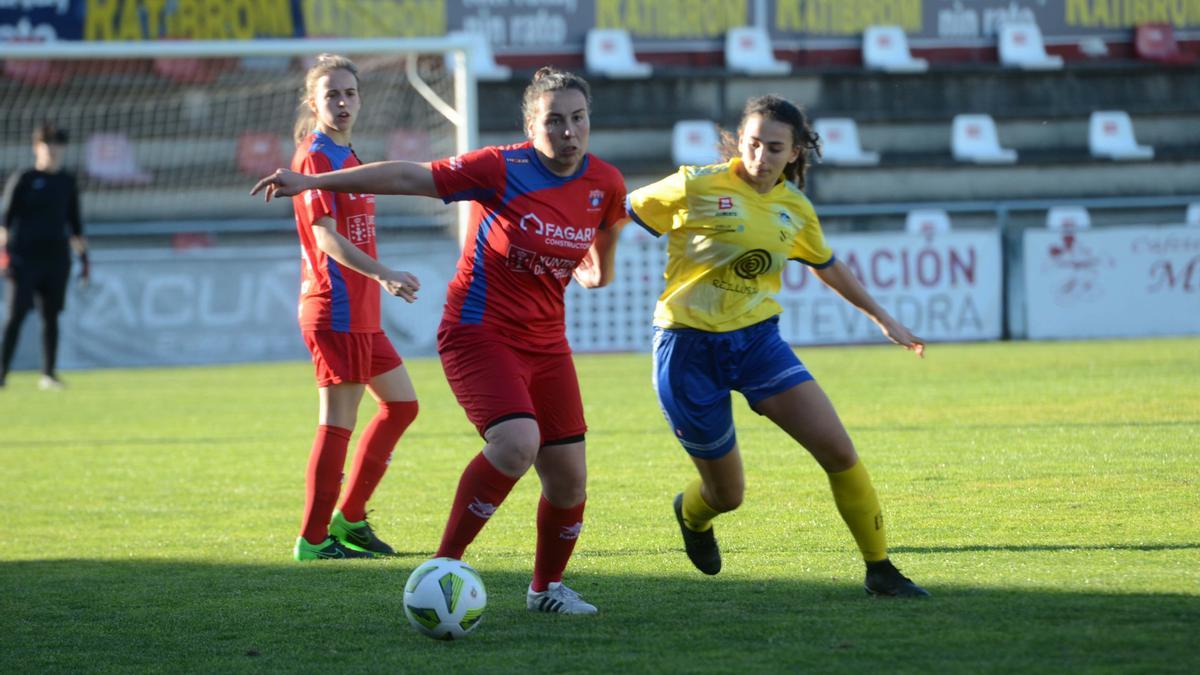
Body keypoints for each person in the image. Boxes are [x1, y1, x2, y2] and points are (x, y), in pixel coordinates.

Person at [252, 67, 628, 613]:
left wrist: (598, 270)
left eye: (577, 118)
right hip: (480, 332)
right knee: (516, 444)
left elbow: (602, 246)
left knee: (569, 482)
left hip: (548, 344)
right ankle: (443, 563)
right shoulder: (501, 167)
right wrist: (312, 183)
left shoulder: (605, 182)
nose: (568, 130)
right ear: (530, 125)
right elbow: (411, 177)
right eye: (553, 120)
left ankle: (546, 589)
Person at [625, 94, 930, 597]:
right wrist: (593, 261)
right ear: (737, 142)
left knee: (839, 452)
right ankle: (693, 515)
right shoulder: (696, 184)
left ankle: (880, 569)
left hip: (757, 342)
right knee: (728, 494)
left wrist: (883, 317)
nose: (760, 157)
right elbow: (623, 209)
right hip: (686, 348)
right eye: (752, 144)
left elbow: (826, 264)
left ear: (793, 153)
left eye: (773, 147)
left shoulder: (794, 206)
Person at [286, 54, 422, 562]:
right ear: (313, 102)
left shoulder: (348, 154)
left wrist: (379, 280)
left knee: (403, 406)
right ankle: (314, 539)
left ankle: (351, 518)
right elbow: (325, 238)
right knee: (338, 421)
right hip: (335, 308)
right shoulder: (316, 157)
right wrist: (383, 273)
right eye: (331, 96)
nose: (342, 103)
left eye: (349, 94)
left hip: (360, 309)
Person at [0, 123, 89, 391]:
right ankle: (2, 373)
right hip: (23, 259)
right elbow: (4, 221)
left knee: (51, 317)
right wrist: (4, 258)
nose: (52, 150)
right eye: (47, 144)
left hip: (56, 259)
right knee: (16, 316)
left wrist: (85, 260)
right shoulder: (24, 179)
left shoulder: (67, 182)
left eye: (57, 144)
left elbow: (75, 225)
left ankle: (48, 374)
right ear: (36, 147)